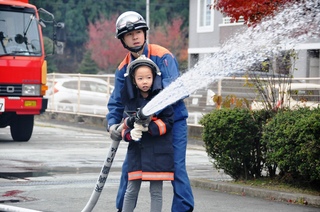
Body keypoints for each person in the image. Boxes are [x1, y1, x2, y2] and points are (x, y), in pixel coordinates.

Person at [107, 11, 194, 212]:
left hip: (173, 122)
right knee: (129, 170)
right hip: (140, 126)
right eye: (129, 34)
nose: (135, 36)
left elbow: (175, 90)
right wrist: (113, 124)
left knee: (176, 167)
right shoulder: (123, 69)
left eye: (138, 32)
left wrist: (150, 113)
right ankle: (122, 209)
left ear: (145, 33)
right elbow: (117, 102)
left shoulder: (163, 56)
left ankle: (182, 209)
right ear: (123, 40)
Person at [120, 55, 174, 212]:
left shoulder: (161, 100)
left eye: (148, 77)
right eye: (140, 78)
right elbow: (124, 127)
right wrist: (131, 134)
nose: (145, 81)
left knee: (156, 192)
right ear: (134, 80)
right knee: (131, 191)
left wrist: (150, 127)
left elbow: (168, 122)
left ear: (154, 78)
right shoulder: (130, 102)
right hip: (137, 152)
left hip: (158, 153)